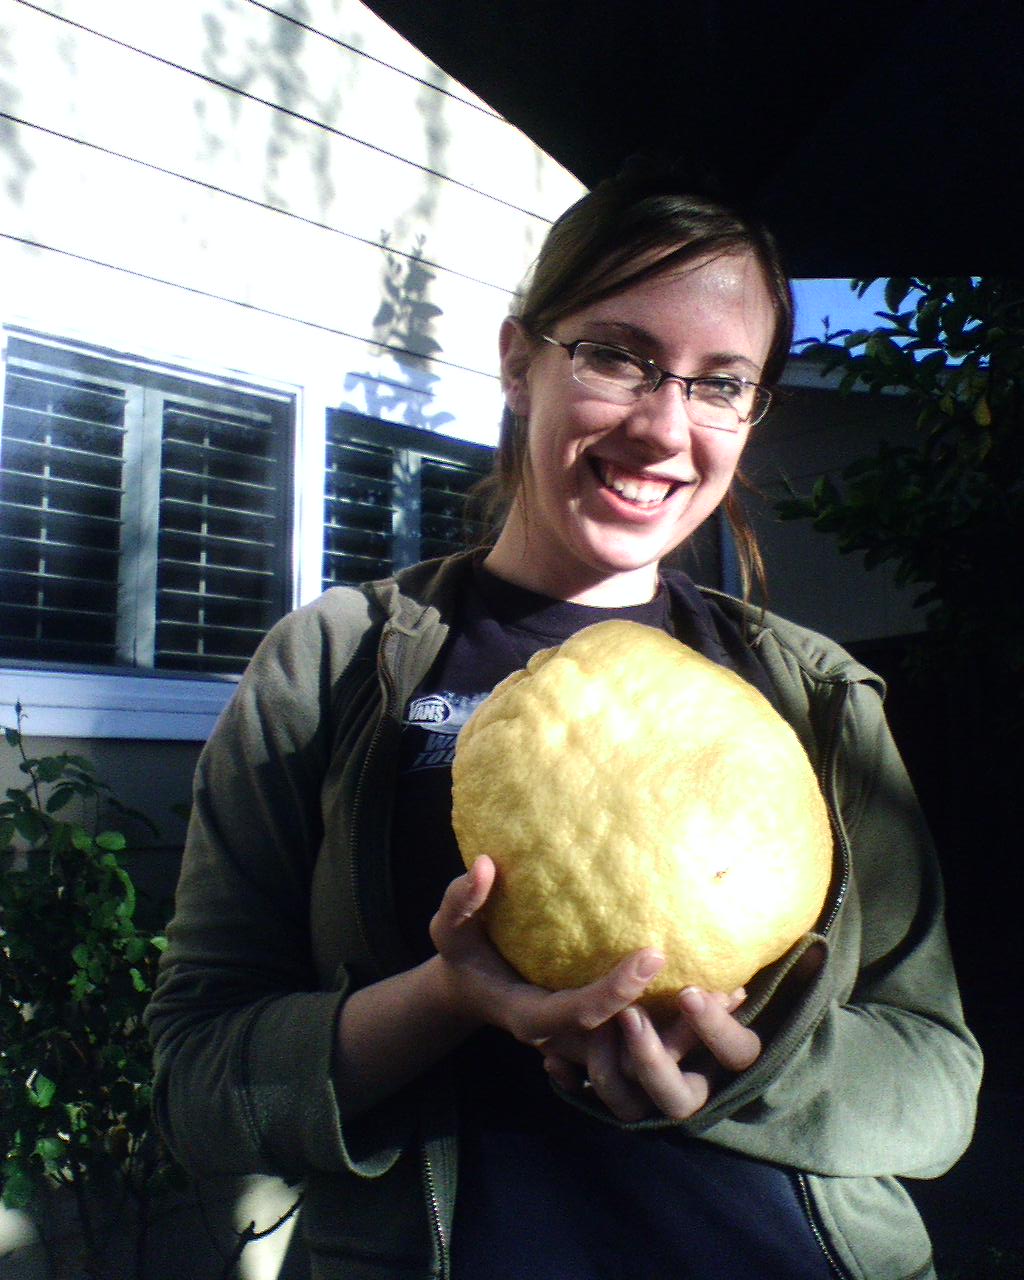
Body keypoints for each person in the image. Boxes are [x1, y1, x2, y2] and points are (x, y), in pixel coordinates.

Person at [146, 170, 982, 1280]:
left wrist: (758, 1068)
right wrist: (447, 995)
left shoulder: (813, 695)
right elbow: (198, 1085)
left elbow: (936, 1081)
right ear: (517, 359)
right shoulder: (336, 663)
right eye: (617, 355)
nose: (664, 425)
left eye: (721, 382)